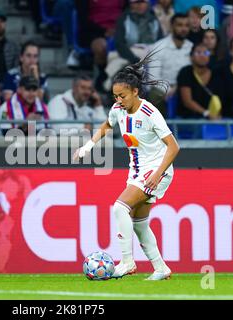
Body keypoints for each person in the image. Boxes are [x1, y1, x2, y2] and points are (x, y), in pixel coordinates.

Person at [73, 54, 180, 280]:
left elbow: (173, 147)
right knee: (140, 224)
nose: (118, 100)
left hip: (157, 169)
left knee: (120, 207)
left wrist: (157, 175)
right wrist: (87, 147)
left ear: (135, 92)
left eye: (122, 95)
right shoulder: (118, 109)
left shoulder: (150, 113)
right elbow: (106, 125)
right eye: (115, 96)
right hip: (137, 171)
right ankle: (161, 268)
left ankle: (127, 261)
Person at [148, 13, 192, 116]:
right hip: (163, 88)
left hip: (185, 87)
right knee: (155, 95)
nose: (183, 29)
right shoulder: (158, 47)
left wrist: (178, 88)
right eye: (179, 25)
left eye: (186, 25)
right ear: (172, 27)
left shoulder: (192, 47)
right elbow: (153, 79)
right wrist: (168, 91)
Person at [75, 0, 125, 92]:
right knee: (102, 47)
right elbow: (83, 19)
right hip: (95, 32)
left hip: (120, 31)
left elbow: (127, 13)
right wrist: (104, 31)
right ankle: (103, 77)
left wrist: (118, 30)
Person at [177, 43, 220, 119]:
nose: (202, 56)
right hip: (190, 117)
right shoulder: (185, 72)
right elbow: (187, 102)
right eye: (198, 52)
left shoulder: (216, 72)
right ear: (191, 57)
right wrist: (207, 114)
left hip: (214, 116)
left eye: (206, 53)